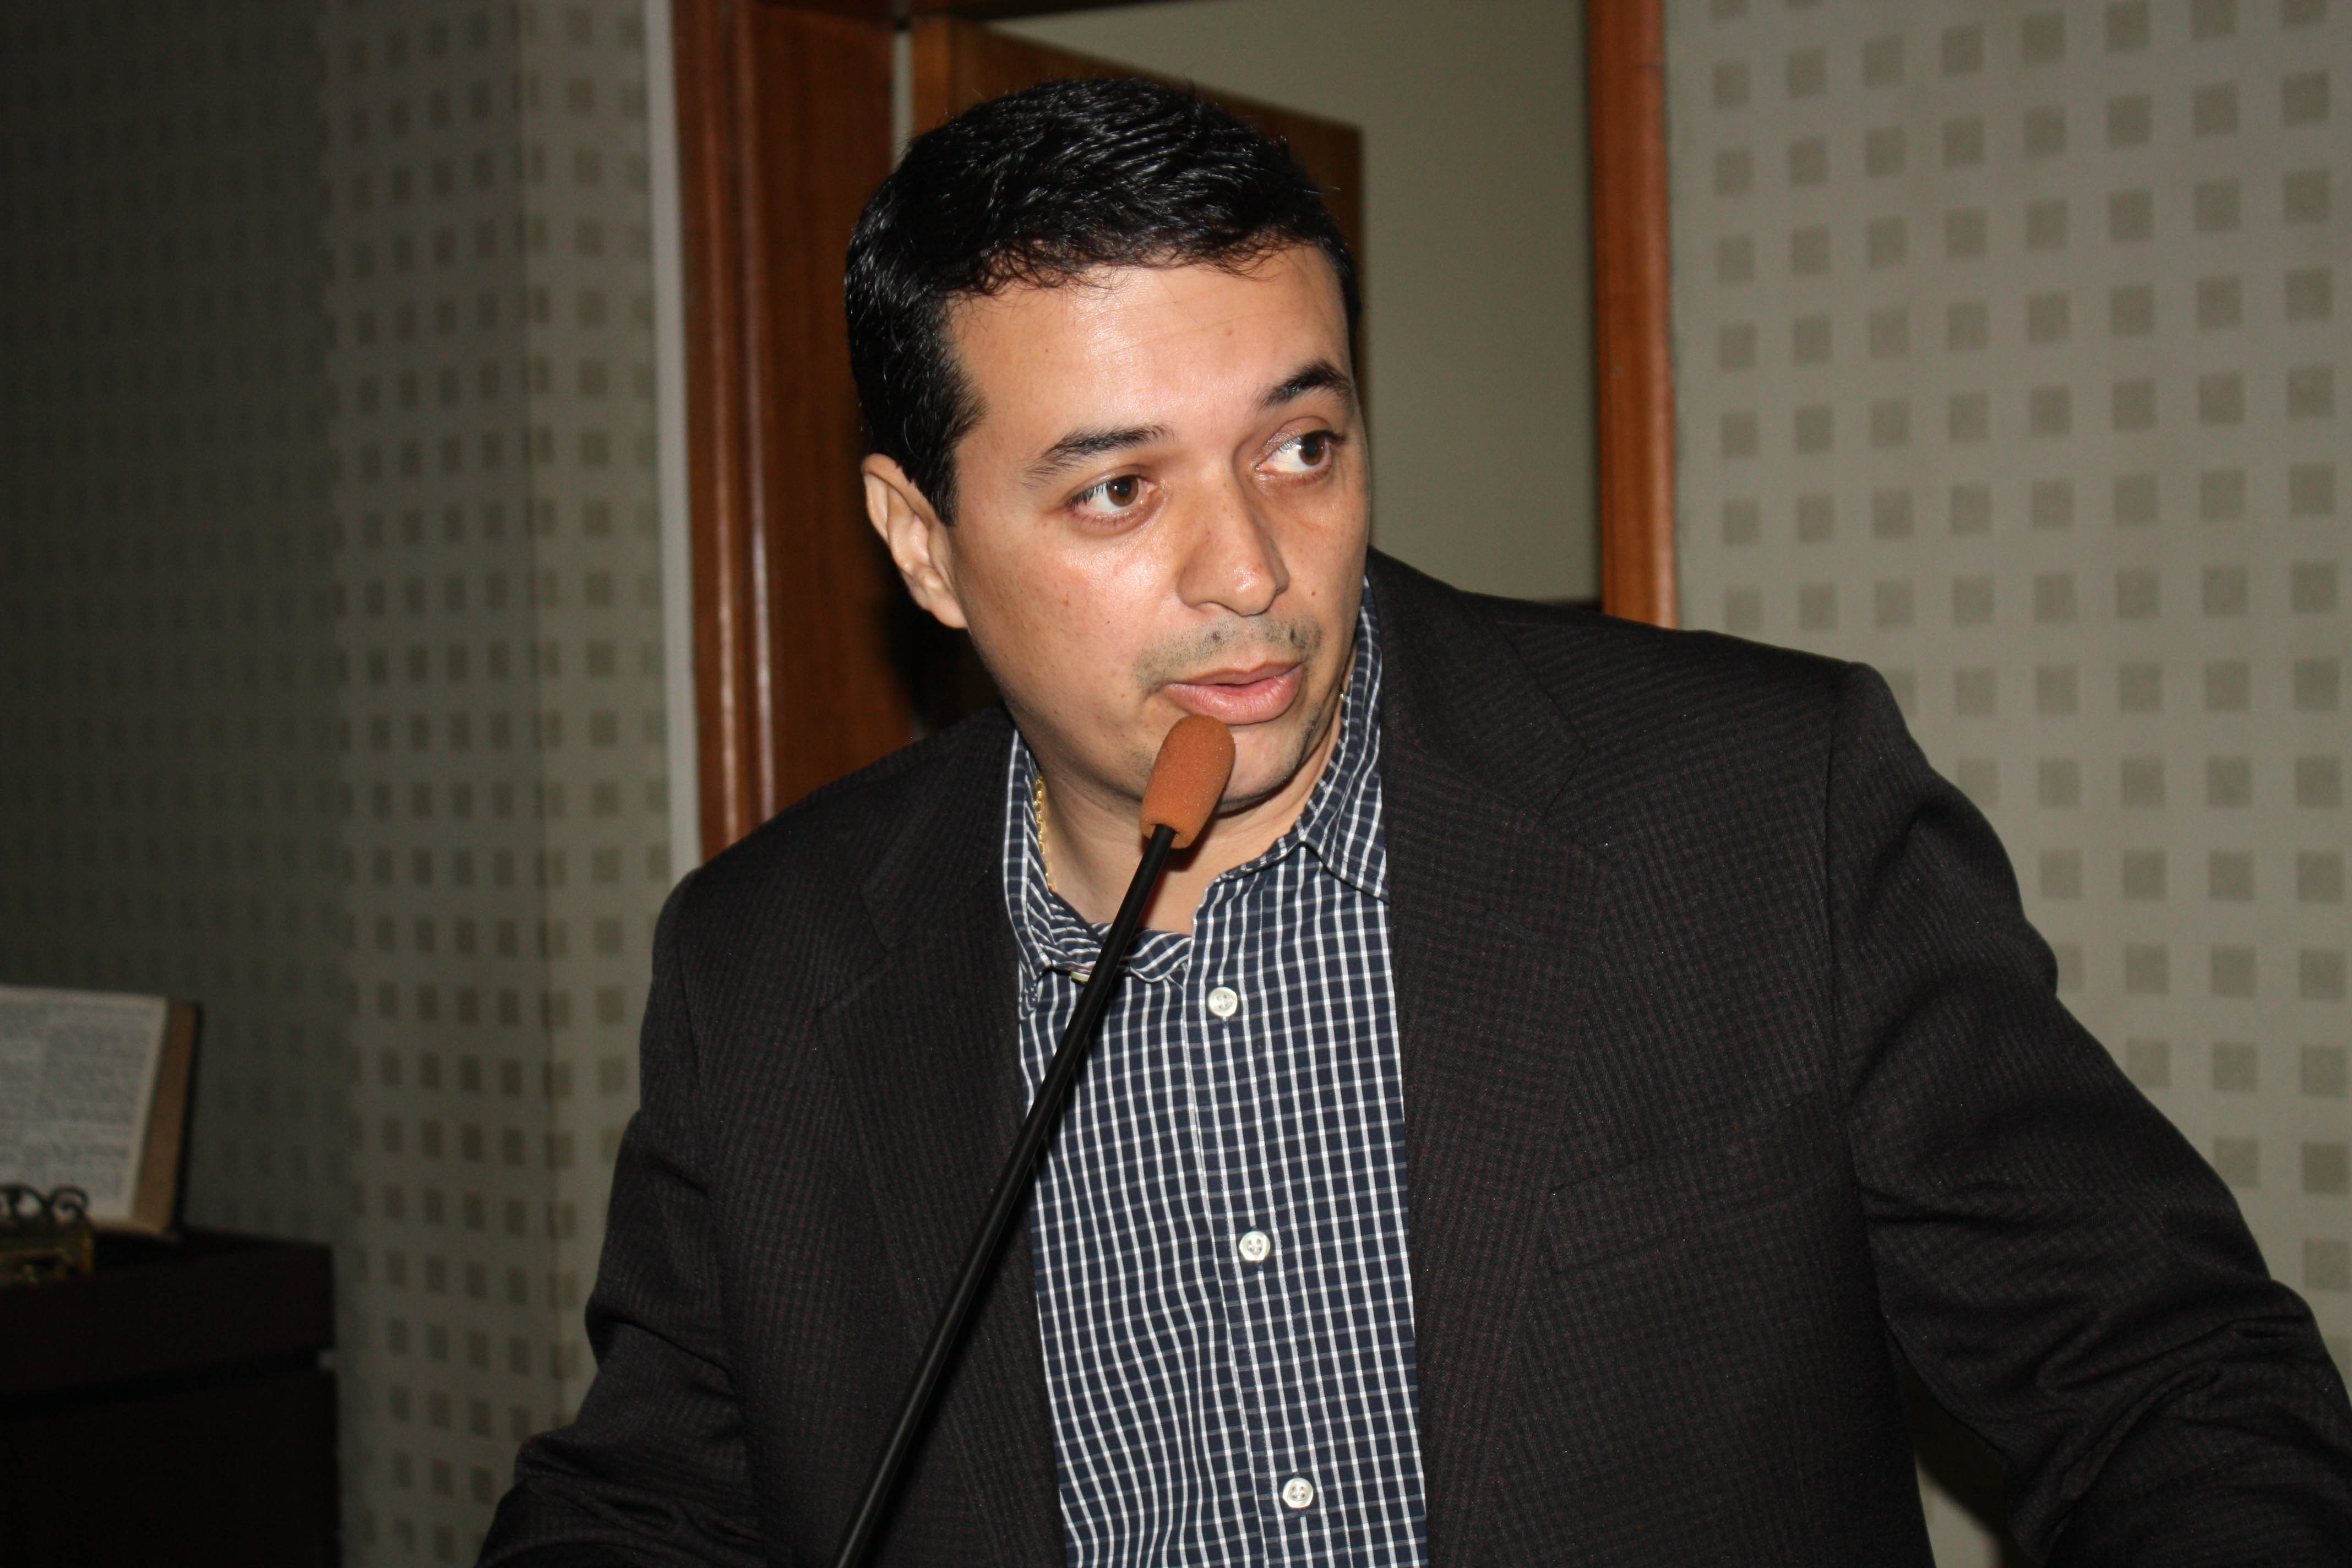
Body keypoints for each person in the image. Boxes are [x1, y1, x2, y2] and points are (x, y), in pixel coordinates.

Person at [481, 79, 2352, 1567]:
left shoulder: (1765, 810)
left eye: (1300, 447)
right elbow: (654, 1509)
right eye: (1119, 491)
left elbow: (2169, 1384)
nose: (1250, 571)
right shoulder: (762, 963)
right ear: (921, 541)